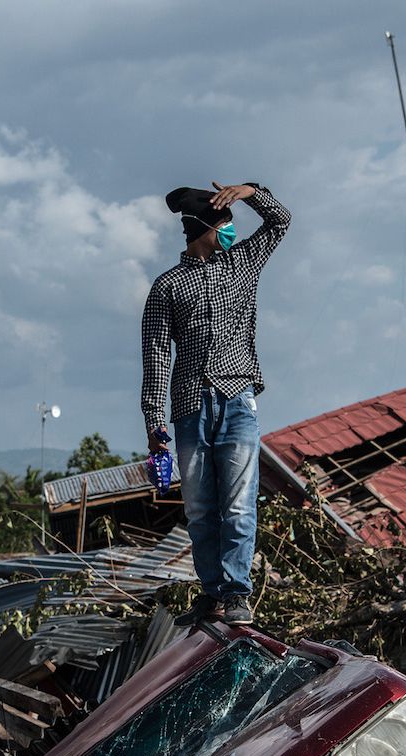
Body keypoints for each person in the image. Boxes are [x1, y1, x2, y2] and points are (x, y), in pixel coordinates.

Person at [142, 180, 291, 626]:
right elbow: (155, 353)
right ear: (204, 228)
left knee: (240, 505)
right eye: (225, 223)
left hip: (238, 401)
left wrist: (251, 191)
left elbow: (280, 221)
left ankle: (237, 592)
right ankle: (212, 594)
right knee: (201, 510)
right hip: (189, 407)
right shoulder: (167, 287)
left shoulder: (243, 262)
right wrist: (153, 418)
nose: (232, 230)